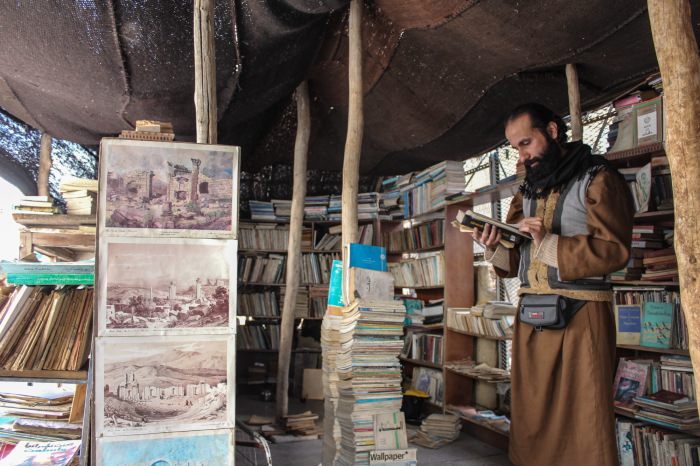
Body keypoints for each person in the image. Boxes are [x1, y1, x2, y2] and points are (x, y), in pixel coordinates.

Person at [472, 103, 634, 466]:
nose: (523, 154)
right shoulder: (528, 192)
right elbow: (514, 264)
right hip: (531, 319)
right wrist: (494, 246)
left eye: (527, 142)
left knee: (583, 419)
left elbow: (615, 250)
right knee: (531, 417)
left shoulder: (599, 178)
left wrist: (548, 243)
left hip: (581, 318)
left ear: (552, 131)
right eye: (515, 148)